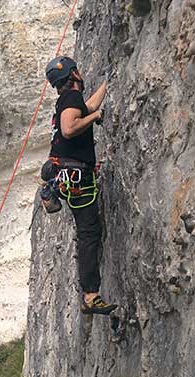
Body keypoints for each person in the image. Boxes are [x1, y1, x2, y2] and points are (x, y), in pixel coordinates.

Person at [43, 56, 116, 316]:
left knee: (87, 232)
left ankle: (89, 293)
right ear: (74, 74)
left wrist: (109, 84)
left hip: (65, 174)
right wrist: (97, 116)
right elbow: (70, 127)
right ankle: (90, 294)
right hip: (76, 177)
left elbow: (85, 108)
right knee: (88, 234)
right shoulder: (70, 100)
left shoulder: (69, 101)